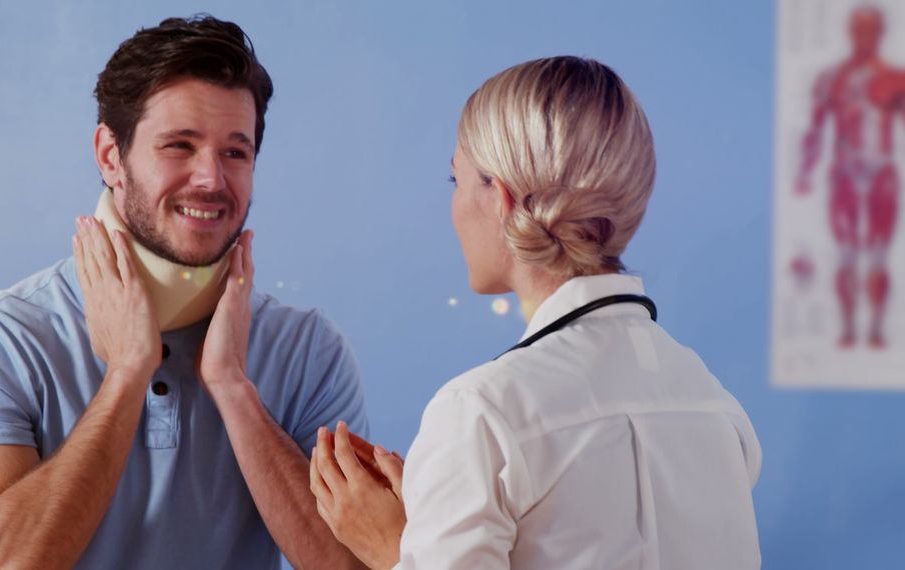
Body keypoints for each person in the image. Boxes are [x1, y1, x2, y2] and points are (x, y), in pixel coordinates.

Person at [0, 16, 368, 570]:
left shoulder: (308, 348)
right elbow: (1, 565)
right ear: (111, 156)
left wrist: (233, 389)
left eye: (236, 152)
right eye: (179, 146)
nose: (210, 178)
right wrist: (127, 374)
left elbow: (353, 566)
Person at [309, 56, 762, 569]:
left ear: (499, 198)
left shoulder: (481, 414)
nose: (452, 206)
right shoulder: (717, 408)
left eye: (454, 180)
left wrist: (389, 549)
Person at [796, 5, 902, 349]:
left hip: (882, 177)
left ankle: (873, 328)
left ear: (881, 34)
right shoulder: (832, 80)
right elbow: (815, 130)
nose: (865, 37)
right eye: (860, 29)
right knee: (845, 255)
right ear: (851, 32)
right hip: (844, 175)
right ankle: (846, 328)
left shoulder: (895, 80)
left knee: (879, 255)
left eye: (872, 29)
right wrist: (805, 172)